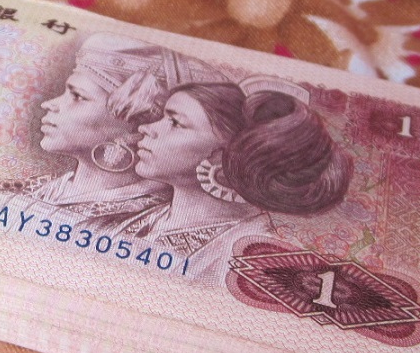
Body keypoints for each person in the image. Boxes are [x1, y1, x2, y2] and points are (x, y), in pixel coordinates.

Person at [125, 77, 352, 280]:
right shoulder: (144, 214)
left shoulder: (252, 254)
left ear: (226, 154)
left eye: (175, 122)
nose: (146, 128)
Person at [20, 33, 172, 229]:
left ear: (132, 124)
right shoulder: (39, 189)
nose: (49, 104)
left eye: (78, 96)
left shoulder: (152, 220)